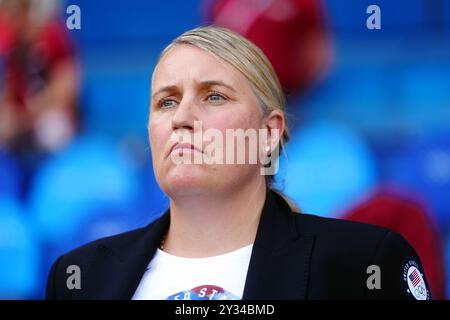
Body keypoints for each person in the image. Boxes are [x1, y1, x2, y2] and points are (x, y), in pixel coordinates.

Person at [45, 26, 430, 300]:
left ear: (267, 133)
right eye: (166, 101)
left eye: (213, 97)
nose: (181, 117)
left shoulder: (361, 266)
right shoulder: (81, 279)